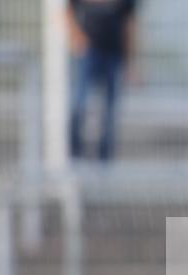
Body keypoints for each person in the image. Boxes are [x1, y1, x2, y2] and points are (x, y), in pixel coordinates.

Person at [66, 0, 138, 162]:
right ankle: (74, 157)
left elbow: (129, 25)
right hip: (88, 54)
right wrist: (76, 38)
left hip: (114, 55)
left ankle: (104, 162)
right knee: (79, 105)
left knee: (109, 111)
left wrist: (130, 62)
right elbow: (67, 12)